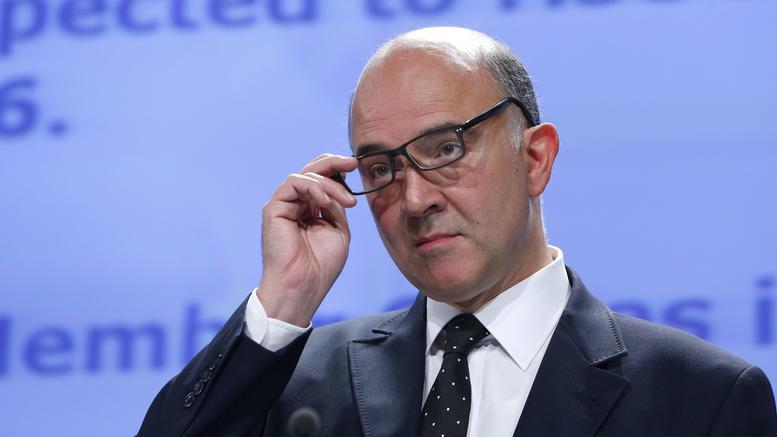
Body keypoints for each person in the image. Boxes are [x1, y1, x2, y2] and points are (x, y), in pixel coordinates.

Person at [138, 27, 777, 437]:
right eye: (381, 168)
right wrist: (283, 301)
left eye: (446, 148)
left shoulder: (701, 398)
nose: (415, 199)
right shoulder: (296, 381)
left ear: (535, 158)